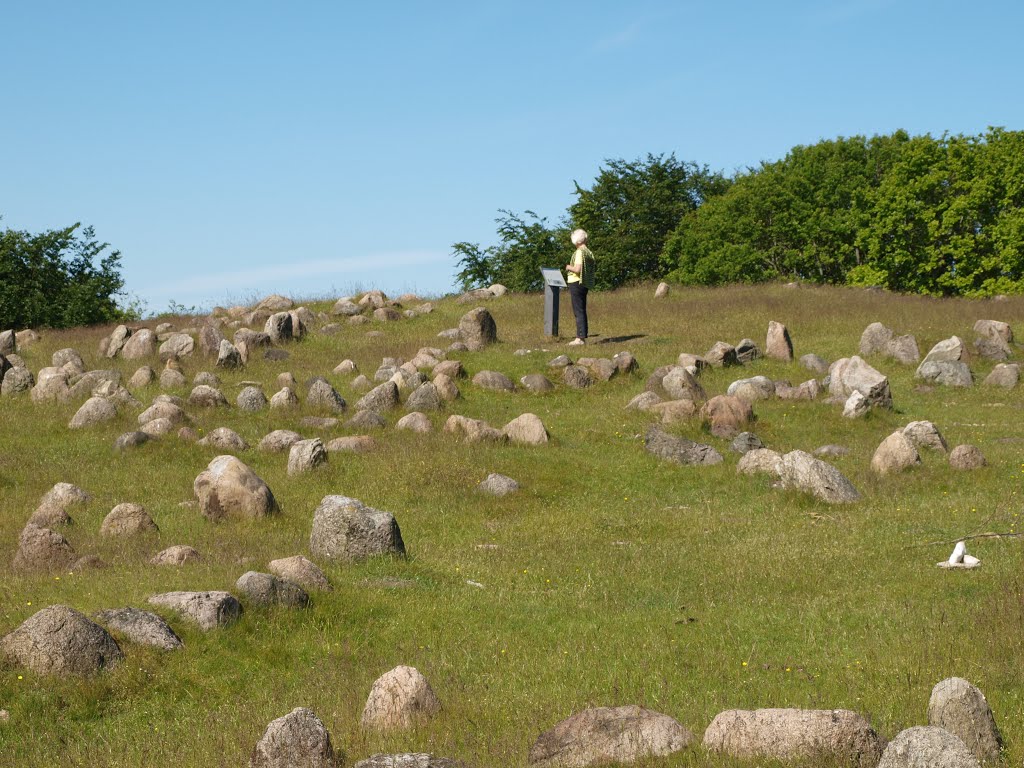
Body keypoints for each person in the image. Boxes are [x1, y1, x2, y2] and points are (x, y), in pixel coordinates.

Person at [565, 228, 595, 346]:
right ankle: (582, 335)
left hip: (576, 282)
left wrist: (568, 267)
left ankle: (580, 338)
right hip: (584, 283)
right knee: (582, 309)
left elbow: (577, 269)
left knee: (578, 310)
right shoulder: (588, 252)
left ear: (576, 241)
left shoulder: (579, 252)